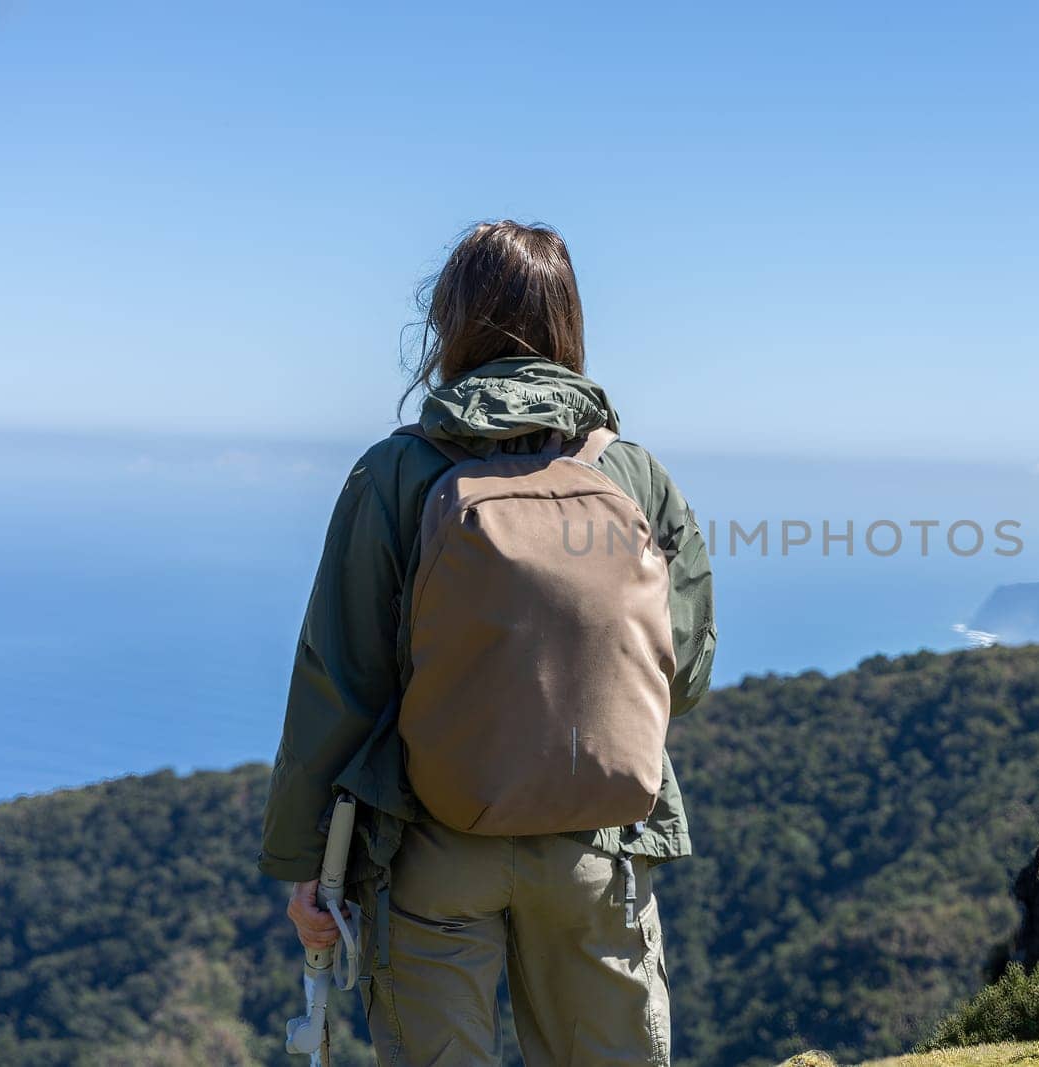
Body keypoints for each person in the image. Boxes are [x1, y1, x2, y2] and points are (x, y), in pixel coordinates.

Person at [258, 220, 717, 1066]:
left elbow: (340, 681)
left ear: (450, 323)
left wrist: (303, 863)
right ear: (570, 322)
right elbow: (682, 674)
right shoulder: (631, 474)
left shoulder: (396, 473)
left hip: (431, 844)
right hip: (596, 842)